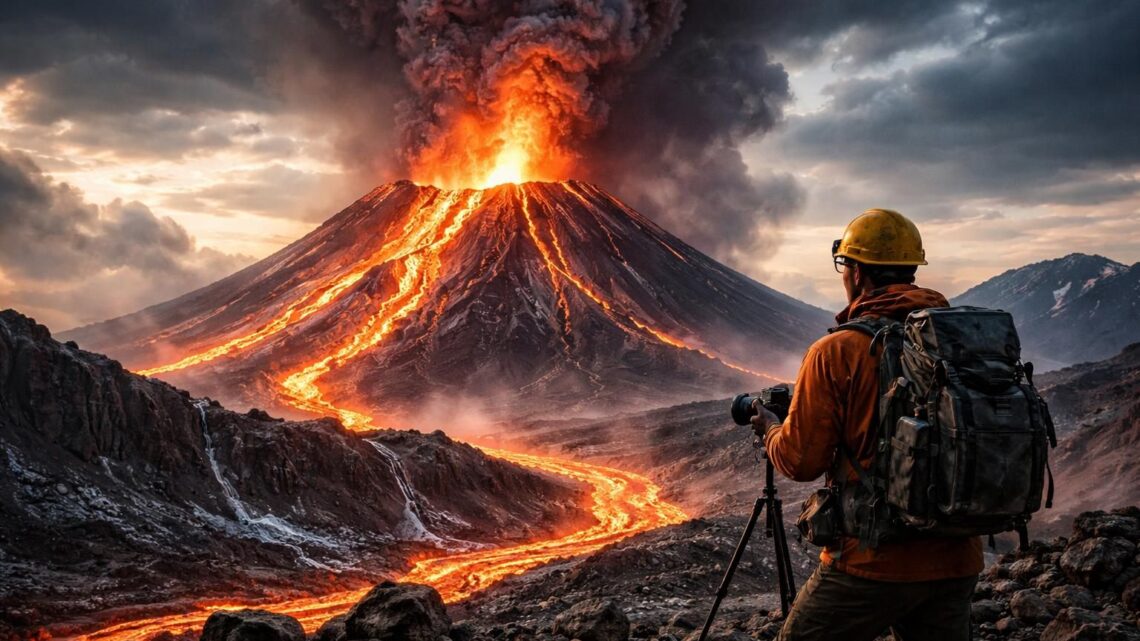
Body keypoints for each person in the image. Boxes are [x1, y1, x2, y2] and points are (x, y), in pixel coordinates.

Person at [750, 208, 983, 641]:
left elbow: (801, 462)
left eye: (846, 267)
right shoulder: (959, 340)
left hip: (872, 563)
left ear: (856, 273)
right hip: (958, 559)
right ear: (912, 269)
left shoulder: (838, 351)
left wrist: (769, 431)